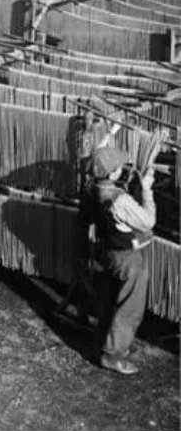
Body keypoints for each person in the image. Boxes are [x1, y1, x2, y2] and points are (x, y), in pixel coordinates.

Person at [83, 146, 155, 375]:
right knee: (129, 308)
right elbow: (148, 221)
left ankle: (100, 347)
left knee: (109, 302)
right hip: (128, 260)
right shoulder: (120, 200)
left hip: (107, 254)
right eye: (120, 167)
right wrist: (146, 190)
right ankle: (113, 356)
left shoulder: (90, 189)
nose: (123, 170)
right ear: (113, 172)